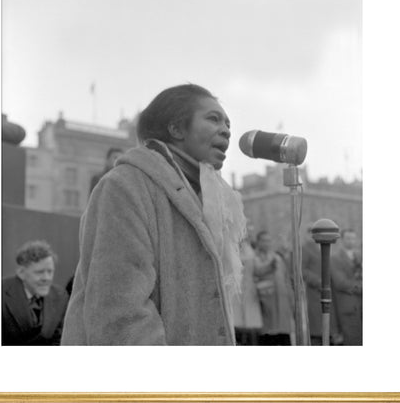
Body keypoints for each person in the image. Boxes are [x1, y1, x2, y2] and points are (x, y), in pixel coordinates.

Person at [61, 83, 246, 345]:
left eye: (228, 123)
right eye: (213, 119)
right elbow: (120, 314)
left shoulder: (208, 199)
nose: (226, 130)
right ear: (176, 128)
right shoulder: (125, 185)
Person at [2, 240, 69, 345]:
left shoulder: (60, 296)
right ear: (21, 273)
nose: (46, 278)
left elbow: (58, 340)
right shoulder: (2, 293)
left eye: (50, 271)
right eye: (39, 272)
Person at [253, 230, 294, 345]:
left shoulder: (277, 257)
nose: (267, 243)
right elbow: (258, 271)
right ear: (258, 242)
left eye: (269, 240)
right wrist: (270, 266)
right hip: (265, 302)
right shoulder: (254, 257)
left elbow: (287, 277)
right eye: (264, 240)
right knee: (268, 336)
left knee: (283, 335)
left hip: (282, 301)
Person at [301, 226, 341, 345]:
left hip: (331, 290)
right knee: (317, 328)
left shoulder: (328, 245)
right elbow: (302, 270)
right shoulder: (306, 248)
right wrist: (319, 282)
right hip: (316, 292)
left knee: (330, 325)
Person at [331, 228, 362, 345]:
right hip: (348, 308)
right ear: (342, 240)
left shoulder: (360, 256)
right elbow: (341, 283)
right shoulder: (335, 258)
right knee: (353, 342)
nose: (351, 241)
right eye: (348, 238)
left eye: (353, 238)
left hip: (362, 307)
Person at [233, 237, 264, 345]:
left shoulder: (251, 255)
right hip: (235, 289)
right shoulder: (232, 252)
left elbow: (259, 270)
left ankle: (250, 343)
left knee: (250, 320)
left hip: (249, 290)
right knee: (236, 318)